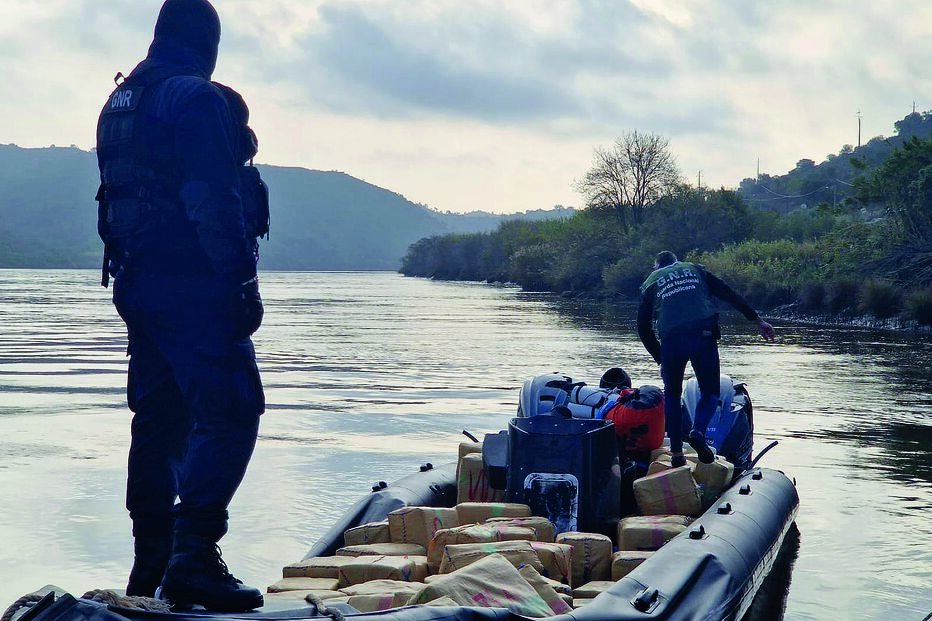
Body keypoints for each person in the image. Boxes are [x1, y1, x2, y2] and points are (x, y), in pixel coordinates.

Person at [95, 0, 268, 611]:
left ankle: (150, 566)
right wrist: (241, 282)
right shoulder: (194, 98)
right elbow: (211, 197)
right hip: (193, 283)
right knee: (232, 411)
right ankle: (192, 558)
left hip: (138, 284)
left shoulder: (121, 102)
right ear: (208, 42)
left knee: (161, 421)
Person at [636, 251, 775, 468]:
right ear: (676, 262)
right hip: (703, 334)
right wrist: (757, 320)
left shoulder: (650, 283)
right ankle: (698, 431)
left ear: (657, 267)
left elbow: (643, 329)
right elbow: (728, 293)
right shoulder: (695, 270)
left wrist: (660, 358)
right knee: (710, 392)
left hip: (672, 340)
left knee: (672, 395)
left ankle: (676, 455)